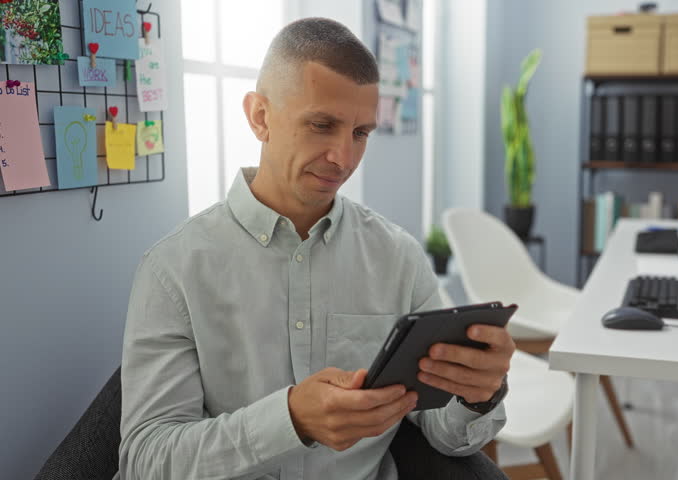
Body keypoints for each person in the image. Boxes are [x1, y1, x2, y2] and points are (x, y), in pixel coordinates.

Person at [117, 17, 513, 480]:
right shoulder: (173, 270)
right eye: (321, 125)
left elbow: (445, 435)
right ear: (259, 116)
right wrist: (290, 419)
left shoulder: (398, 259)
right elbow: (145, 460)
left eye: (361, 133)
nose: (344, 158)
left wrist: (478, 393)